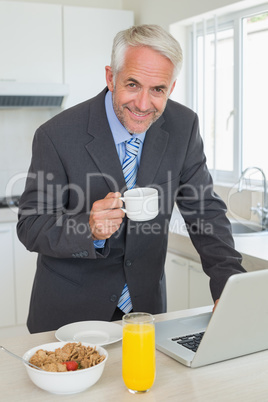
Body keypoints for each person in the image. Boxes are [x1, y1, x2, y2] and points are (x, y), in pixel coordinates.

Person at [17, 24, 245, 334]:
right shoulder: (56, 135)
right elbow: (31, 225)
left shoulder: (183, 126)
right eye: (133, 84)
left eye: (157, 90)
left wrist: (228, 285)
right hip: (69, 315)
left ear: (171, 88)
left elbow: (205, 209)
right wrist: (88, 227)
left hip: (144, 312)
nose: (142, 104)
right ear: (111, 77)